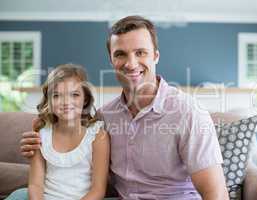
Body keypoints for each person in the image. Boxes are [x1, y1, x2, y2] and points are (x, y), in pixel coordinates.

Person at [15, 16, 228, 200]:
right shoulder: (104, 117)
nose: (131, 63)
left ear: (155, 56)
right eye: (120, 54)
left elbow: (216, 193)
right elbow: (71, 140)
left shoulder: (188, 112)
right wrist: (38, 132)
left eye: (141, 52)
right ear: (111, 60)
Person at [25, 64, 109, 200]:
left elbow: (98, 190)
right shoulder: (42, 133)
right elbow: (35, 185)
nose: (66, 102)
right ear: (49, 100)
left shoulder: (98, 136)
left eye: (74, 94)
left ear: (85, 99)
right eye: (57, 95)